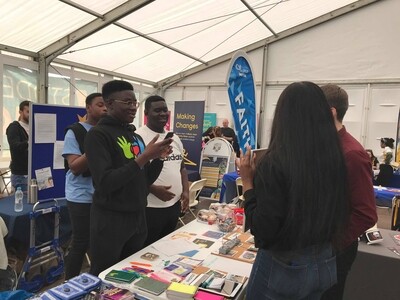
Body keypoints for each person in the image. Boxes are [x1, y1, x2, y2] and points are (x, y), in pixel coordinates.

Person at [240, 81, 349, 299]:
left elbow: (263, 230)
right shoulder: (334, 158)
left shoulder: (276, 162)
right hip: (324, 260)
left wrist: (247, 183)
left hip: (285, 266)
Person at [84, 80, 173, 276]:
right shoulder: (98, 135)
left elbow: (145, 179)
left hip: (138, 218)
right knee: (105, 276)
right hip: (111, 221)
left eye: (135, 102)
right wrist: (144, 157)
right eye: (127, 102)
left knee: (130, 274)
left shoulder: (135, 137)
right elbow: (105, 182)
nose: (133, 107)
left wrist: (157, 159)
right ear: (109, 103)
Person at [320, 83, 377, 300]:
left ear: (330, 112)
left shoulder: (352, 153)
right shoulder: (328, 146)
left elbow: (366, 213)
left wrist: (331, 245)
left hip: (334, 252)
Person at [62, 93, 107, 279]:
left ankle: (93, 280)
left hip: (103, 195)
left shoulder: (109, 131)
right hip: (81, 195)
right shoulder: (75, 131)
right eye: (100, 105)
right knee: (81, 241)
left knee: (100, 241)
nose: (105, 108)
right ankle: (69, 283)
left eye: (107, 105)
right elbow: (74, 167)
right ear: (88, 108)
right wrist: (95, 147)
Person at [136, 95, 189, 246]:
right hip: (150, 207)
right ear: (146, 113)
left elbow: (182, 166)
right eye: (157, 110)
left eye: (165, 110)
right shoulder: (139, 137)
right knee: (147, 249)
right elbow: (133, 173)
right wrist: (152, 189)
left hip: (173, 206)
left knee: (166, 246)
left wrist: (186, 191)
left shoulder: (174, 137)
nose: (162, 114)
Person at [6, 100, 30, 193]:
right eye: (27, 111)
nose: (29, 114)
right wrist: (29, 142)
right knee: (23, 203)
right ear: (20, 112)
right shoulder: (14, 127)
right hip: (21, 174)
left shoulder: (34, 126)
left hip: (34, 172)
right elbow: (15, 146)